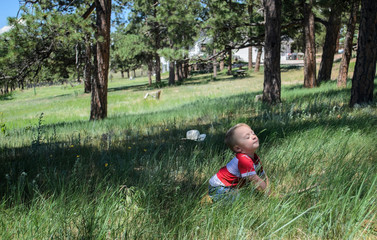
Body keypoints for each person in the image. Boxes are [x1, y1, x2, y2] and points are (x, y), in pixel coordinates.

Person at [208, 123, 269, 202]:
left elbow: (262, 175)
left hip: (231, 186)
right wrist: (270, 194)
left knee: (248, 194)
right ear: (238, 148)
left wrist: (269, 190)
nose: (253, 136)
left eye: (253, 133)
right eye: (248, 137)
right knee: (242, 200)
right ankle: (211, 198)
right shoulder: (243, 160)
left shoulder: (255, 157)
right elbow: (256, 180)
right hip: (219, 187)